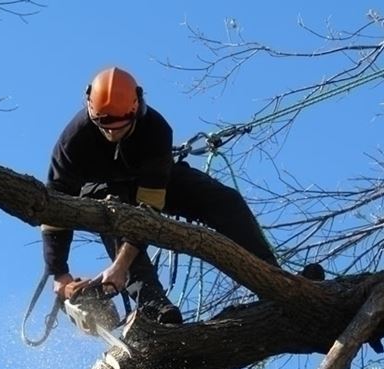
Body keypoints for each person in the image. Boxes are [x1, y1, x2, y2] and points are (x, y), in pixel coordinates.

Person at [41, 67, 317, 325]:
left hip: (152, 183)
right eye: (104, 125)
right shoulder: (73, 142)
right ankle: (152, 303)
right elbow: (54, 207)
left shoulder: (156, 131)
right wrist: (59, 273)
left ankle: (274, 280)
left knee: (224, 201)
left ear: (136, 108)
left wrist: (120, 266)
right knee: (114, 212)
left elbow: (147, 211)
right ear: (91, 109)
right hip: (102, 191)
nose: (112, 132)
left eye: (120, 126)